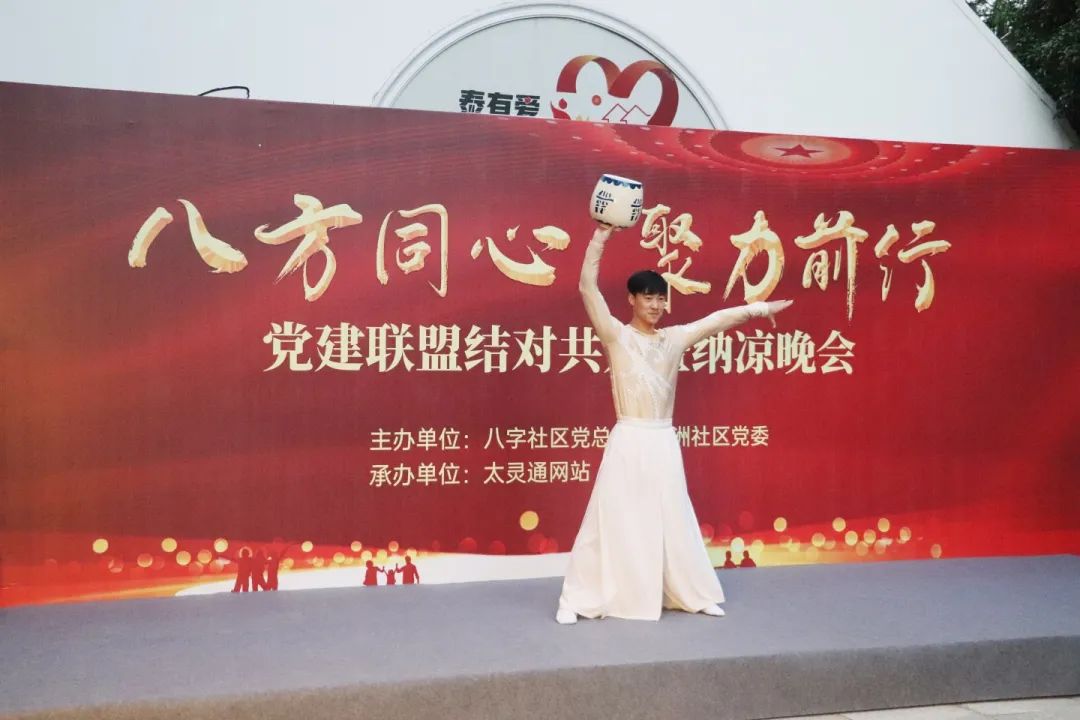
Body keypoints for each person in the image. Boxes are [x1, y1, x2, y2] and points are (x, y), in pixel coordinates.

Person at [556, 225, 791, 624]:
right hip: (628, 437)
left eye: (661, 298)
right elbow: (586, 287)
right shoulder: (616, 335)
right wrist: (600, 237)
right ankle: (577, 599)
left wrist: (759, 309)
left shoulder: (674, 338)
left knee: (672, 517)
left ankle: (691, 594)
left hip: (663, 439)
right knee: (609, 517)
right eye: (648, 297)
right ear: (632, 299)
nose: (656, 305)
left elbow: (715, 321)